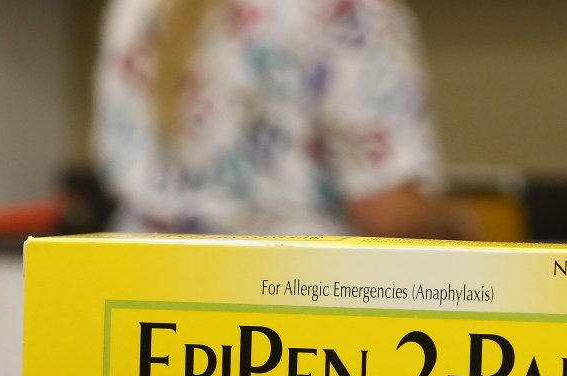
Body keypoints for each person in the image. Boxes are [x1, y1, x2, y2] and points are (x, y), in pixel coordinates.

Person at [92, 0, 475, 239]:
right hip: (286, 306)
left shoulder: (137, 7)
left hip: (140, 293)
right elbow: (389, 213)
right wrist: (459, 225)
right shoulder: (346, 11)